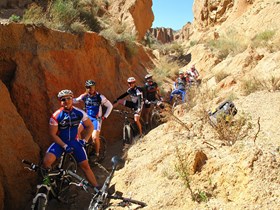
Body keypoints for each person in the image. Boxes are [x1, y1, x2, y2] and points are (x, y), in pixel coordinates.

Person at [43, 89, 99, 187]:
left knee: (85, 166)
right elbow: (53, 134)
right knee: (47, 161)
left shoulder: (79, 112)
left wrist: (85, 140)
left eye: (69, 98)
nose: (66, 101)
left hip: (74, 141)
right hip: (60, 142)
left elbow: (90, 126)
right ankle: (47, 185)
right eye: (63, 99)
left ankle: (97, 189)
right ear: (60, 102)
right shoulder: (56, 115)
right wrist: (64, 145)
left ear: (72, 99)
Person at [74, 80, 113, 160]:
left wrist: (105, 116)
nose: (91, 88)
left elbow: (110, 106)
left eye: (92, 87)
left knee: (94, 137)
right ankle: (82, 149)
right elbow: (75, 101)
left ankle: (97, 153)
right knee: (76, 132)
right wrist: (67, 98)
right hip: (87, 118)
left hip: (96, 119)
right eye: (88, 87)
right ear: (86, 88)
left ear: (94, 87)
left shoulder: (100, 97)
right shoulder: (84, 96)